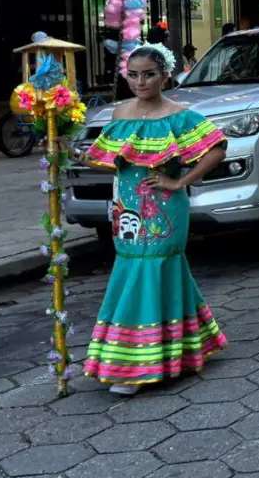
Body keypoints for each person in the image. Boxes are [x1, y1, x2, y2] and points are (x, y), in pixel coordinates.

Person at [77, 45, 228, 395]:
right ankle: (189, 345)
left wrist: (180, 182)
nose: (140, 81)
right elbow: (108, 159)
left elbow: (218, 148)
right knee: (135, 267)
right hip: (125, 208)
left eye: (148, 74)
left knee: (154, 268)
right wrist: (67, 152)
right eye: (133, 74)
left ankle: (135, 363)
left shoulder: (180, 115)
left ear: (165, 76)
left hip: (165, 210)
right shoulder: (119, 113)